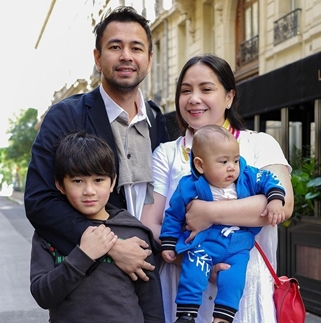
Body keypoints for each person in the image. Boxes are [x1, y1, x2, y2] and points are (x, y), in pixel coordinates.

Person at [140, 54, 294, 323]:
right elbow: (151, 221)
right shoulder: (166, 153)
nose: (194, 98)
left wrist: (207, 212)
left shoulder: (259, 144)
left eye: (206, 89)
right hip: (185, 280)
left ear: (229, 97)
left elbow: (281, 205)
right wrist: (191, 260)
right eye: (186, 90)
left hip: (245, 285)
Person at [25, 6, 169, 283]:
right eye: (115, 46)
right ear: (98, 57)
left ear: (149, 60)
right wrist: (112, 247)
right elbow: (39, 201)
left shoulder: (157, 119)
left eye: (136, 48)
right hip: (92, 281)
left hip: (154, 275)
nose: (126, 56)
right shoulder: (66, 116)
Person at [30, 132, 164, 323]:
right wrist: (82, 256)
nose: (89, 191)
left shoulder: (135, 233)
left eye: (98, 180)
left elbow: (152, 305)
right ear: (60, 185)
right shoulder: (49, 234)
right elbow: (42, 295)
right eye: (77, 181)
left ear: (113, 182)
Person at [160, 125, 286, 323]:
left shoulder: (246, 176)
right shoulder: (188, 185)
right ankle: (186, 315)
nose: (232, 167)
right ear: (200, 165)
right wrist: (168, 242)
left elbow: (270, 180)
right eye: (224, 162)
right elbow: (173, 215)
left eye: (236, 160)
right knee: (192, 274)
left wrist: (275, 200)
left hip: (238, 247)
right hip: (202, 244)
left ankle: (222, 318)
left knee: (233, 281)